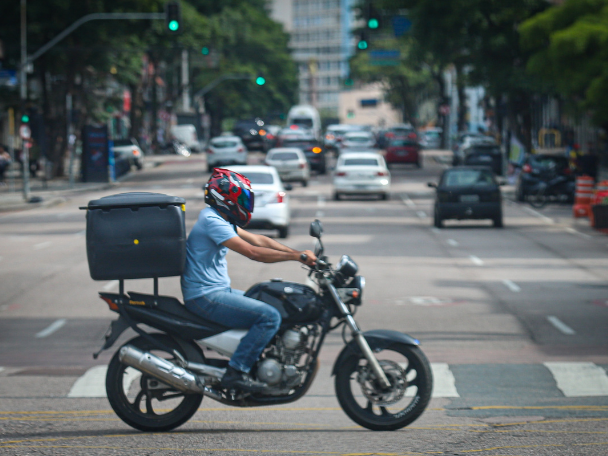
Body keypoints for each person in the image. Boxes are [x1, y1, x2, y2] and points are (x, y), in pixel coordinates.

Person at [181, 168, 317, 393]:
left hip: (216, 291)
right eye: (241, 198)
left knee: (271, 304)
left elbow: (258, 239)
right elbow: (253, 252)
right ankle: (237, 372)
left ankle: (259, 360)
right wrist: (296, 257)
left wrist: (298, 253)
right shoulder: (211, 220)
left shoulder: (219, 217)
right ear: (225, 198)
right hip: (205, 296)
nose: (244, 203)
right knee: (269, 316)